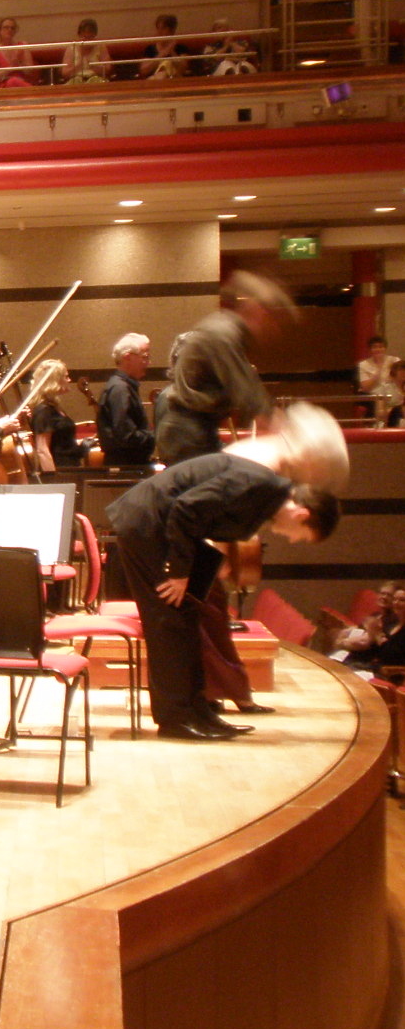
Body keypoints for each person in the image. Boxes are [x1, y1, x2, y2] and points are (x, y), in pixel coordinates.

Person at [108, 450, 337, 739]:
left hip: (165, 529)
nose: (291, 538)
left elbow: (209, 519)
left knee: (189, 617)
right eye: (300, 535)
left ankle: (198, 712)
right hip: (147, 525)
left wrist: (204, 571)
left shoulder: (265, 494)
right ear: (303, 514)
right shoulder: (257, 486)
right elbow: (185, 509)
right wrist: (180, 573)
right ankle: (175, 719)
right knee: (168, 623)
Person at [154, 273, 290, 465]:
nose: (274, 327)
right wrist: (281, 429)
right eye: (272, 317)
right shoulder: (222, 334)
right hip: (187, 434)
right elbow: (247, 393)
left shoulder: (226, 332)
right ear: (257, 309)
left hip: (196, 430)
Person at [99, 333, 155, 467]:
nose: (148, 362)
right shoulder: (120, 389)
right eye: (145, 357)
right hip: (127, 467)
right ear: (128, 357)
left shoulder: (122, 386)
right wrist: (157, 435)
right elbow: (127, 436)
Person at [27, 357, 90, 469]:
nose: (69, 380)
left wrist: (82, 447)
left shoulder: (54, 407)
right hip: (61, 471)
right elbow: (42, 450)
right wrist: (53, 480)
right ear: (55, 380)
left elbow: (62, 444)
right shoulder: (44, 411)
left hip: (71, 468)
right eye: (66, 377)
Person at [0, 16, 37, 88]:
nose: (9, 30)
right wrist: (10, 69)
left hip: (22, 82)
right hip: (5, 84)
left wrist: (19, 65)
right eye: (6, 27)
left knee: (14, 81)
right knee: (12, 81)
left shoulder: (23, 45)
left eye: (12, 28)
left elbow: (30, 71)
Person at [62, 17, 112, 83]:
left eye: (90, 37)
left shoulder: (100, 46)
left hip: (96, 78)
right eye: (85, 37)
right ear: (79, 35)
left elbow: (108, 69)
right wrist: (78, 66)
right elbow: (65, 73)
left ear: (94, 35)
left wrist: (94, 66)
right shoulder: (71, 48)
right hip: (76, 79)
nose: (87, 40)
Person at [141, 14, 188, 79]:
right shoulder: (150, 49)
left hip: (175, 80)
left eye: (163, 28)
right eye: (158, 28)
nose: (159, 32)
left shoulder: (181, 48)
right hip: (154, 80)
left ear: (172, 31)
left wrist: (171, 52)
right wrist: (162, 54)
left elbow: (183, 69)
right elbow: (144, 70)